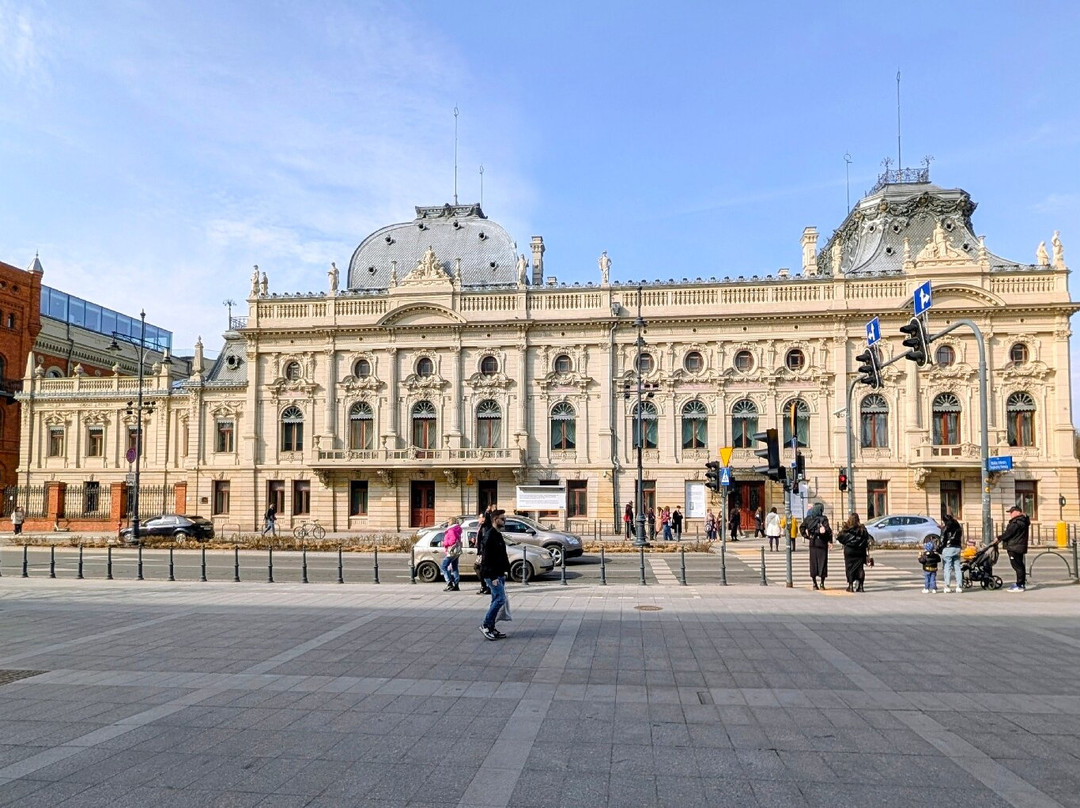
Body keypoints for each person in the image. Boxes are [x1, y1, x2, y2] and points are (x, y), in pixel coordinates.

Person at [479, 509, 512, 640]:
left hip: (499, 573)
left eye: (505, 519)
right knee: (500, 599)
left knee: (496, 599)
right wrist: (493, 578)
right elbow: (486, 559)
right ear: (495, 520)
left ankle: (491, 627)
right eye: (502, 519)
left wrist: (505, 571)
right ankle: (486, 625)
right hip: (491, 575)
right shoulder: (489, 536)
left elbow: (501, 556)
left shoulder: (497, 534)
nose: (504, 521)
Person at [836, 513, 872, 592]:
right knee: (860, 569)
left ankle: (851, 586)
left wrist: (846, 543)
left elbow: (839, 537)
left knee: (849, 568)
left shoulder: (847, 529)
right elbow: (867, 539)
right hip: (860, 551)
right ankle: (861, 587)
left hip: (849, 551)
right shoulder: (862, 529)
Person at [800, 503, 833, 589]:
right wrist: (830, 541)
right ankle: (822, 583)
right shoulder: (824, 519)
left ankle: (814, 583)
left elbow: (802, 528)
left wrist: (807, 536)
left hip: (813, 543)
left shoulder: (808, 519)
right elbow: (828, 531)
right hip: (822, 543)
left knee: (813, 562)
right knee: (823, 562)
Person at [999, 505, 1031, 592]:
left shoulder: (1016, 522)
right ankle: (1020, 583)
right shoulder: (1023, 521)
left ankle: (1020, 585)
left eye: (1011, 512)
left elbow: (1009, 533)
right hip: (1019, 546)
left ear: (1017, 512)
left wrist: (999, 538)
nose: (1010, 514)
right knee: (1019, 565)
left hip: (1014, 546)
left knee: (1017, 566)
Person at [940, 510, 964, 592]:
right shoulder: (958, 527)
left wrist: (939, 548)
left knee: (947, 568)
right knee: (957, 568)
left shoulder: (946, 528)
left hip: (948, 548)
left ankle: (947, 586)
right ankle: (959, 586)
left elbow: (942, 539)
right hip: (957, 548)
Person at [440, 517, 463, 591]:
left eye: (448, 522)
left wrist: (444, 543)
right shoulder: (457, 529)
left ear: (451, 522)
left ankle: (449, 583)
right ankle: (456, 584)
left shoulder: (451, 530)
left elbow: (452, 540)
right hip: (456, 551)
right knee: (455, 567)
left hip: (451, 551)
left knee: (444, 566)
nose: (447, 523)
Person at [475, 509, 492, 595]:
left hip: (483, 552)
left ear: (484, 518)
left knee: (480, 569)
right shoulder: (482, 526)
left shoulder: (485, 527)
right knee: (479, 568)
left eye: (480, 517)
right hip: (481, 551)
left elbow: (485, 541)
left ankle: (486, 586)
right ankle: (484, 586)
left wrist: (481, 551)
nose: (478, 519)